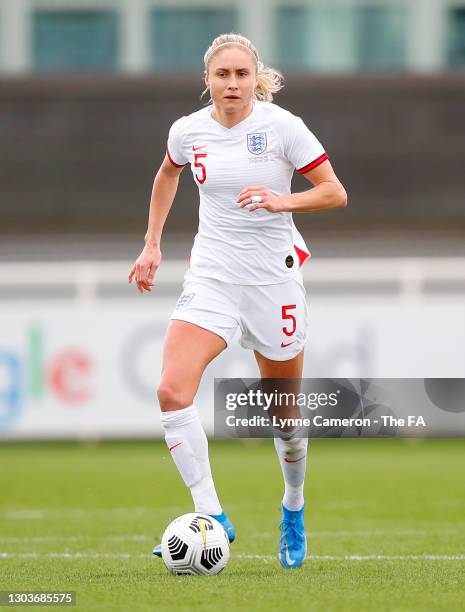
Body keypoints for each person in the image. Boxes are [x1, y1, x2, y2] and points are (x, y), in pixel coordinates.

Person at [128, 32, 347, 569]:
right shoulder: (188, 131)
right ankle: (213, 516)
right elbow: (166, 174)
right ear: (206, 80)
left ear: (256, 78)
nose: (232, 84)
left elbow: (334, 191)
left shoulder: (282, 127)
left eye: (241, 74)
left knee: (285, 418)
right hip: (212, 276)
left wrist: (281, 200)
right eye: (222, 75)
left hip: (273, 281)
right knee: (171, 390)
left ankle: (292, 505)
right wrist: (153, 243)